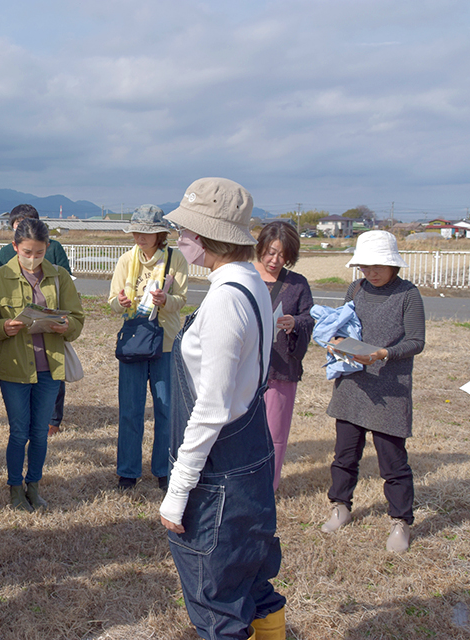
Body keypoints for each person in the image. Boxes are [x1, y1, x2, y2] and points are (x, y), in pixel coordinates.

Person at [159, 177, 286, 640]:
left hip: (219, 476)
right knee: (253, 585)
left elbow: (210, 408)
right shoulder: (251, 283)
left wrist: (179, 488)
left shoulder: (226, 300)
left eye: (185, 232)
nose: (180, 239)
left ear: (208, 237)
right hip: (249, 460)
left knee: (218, 610)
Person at [320, 230, 425, 554]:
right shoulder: (356, 288)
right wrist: (335, 341)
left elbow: (416, 341)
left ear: (393, 265)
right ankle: (340, 505)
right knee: (344, 455)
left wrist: (384, 353)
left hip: (390, 390)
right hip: (352, 385)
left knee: (393, 462)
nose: (371, 272)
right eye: (365, 266)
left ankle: (400, 521)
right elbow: (342, 325)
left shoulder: (408, 294)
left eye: (378, 265)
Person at [0, 218, 85, 511]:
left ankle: (33, 486)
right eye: (27, 252)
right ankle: (14, 488)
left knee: (40, 432)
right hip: (15, 366)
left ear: (47, 248)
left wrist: (65, 326)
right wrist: (3, 327)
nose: (33, 259)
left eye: (39, 253)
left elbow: (77, 318)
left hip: (50, 367)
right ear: (15, 247)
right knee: (19, 431)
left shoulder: (59, 276)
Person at [109, 205, 188, 491]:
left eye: (147, 233)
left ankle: (164, 469)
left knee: (166, 409)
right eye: (136, 232)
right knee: (130, 409)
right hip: (133, 342)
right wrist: (121, 302)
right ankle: (128, 471)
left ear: (160, 235)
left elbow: (182, 298)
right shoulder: (126, 260)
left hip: (165, 342)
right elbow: (112, 301)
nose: (140, 237)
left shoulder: (175, 259)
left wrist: (165, 299)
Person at [0, 204, 72, 437]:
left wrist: (63, 321)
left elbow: (65, 277)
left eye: (38, 252)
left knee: (53, 373)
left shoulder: (55, 249)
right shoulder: (5, 255)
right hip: (17, 341)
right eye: (19, 226)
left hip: (49, 332)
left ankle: (53, 420)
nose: (32, 257)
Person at [252, 222, 314, 490]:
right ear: (260, 248)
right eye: (269, 252)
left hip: (280, 368)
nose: (275, 260)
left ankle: (268, 487)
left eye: (282, 255)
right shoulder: (244, 276)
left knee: (275, 433)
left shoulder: (297, 284)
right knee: (239, 430)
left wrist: (295, 323)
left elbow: (310, 317)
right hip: (245, 366)